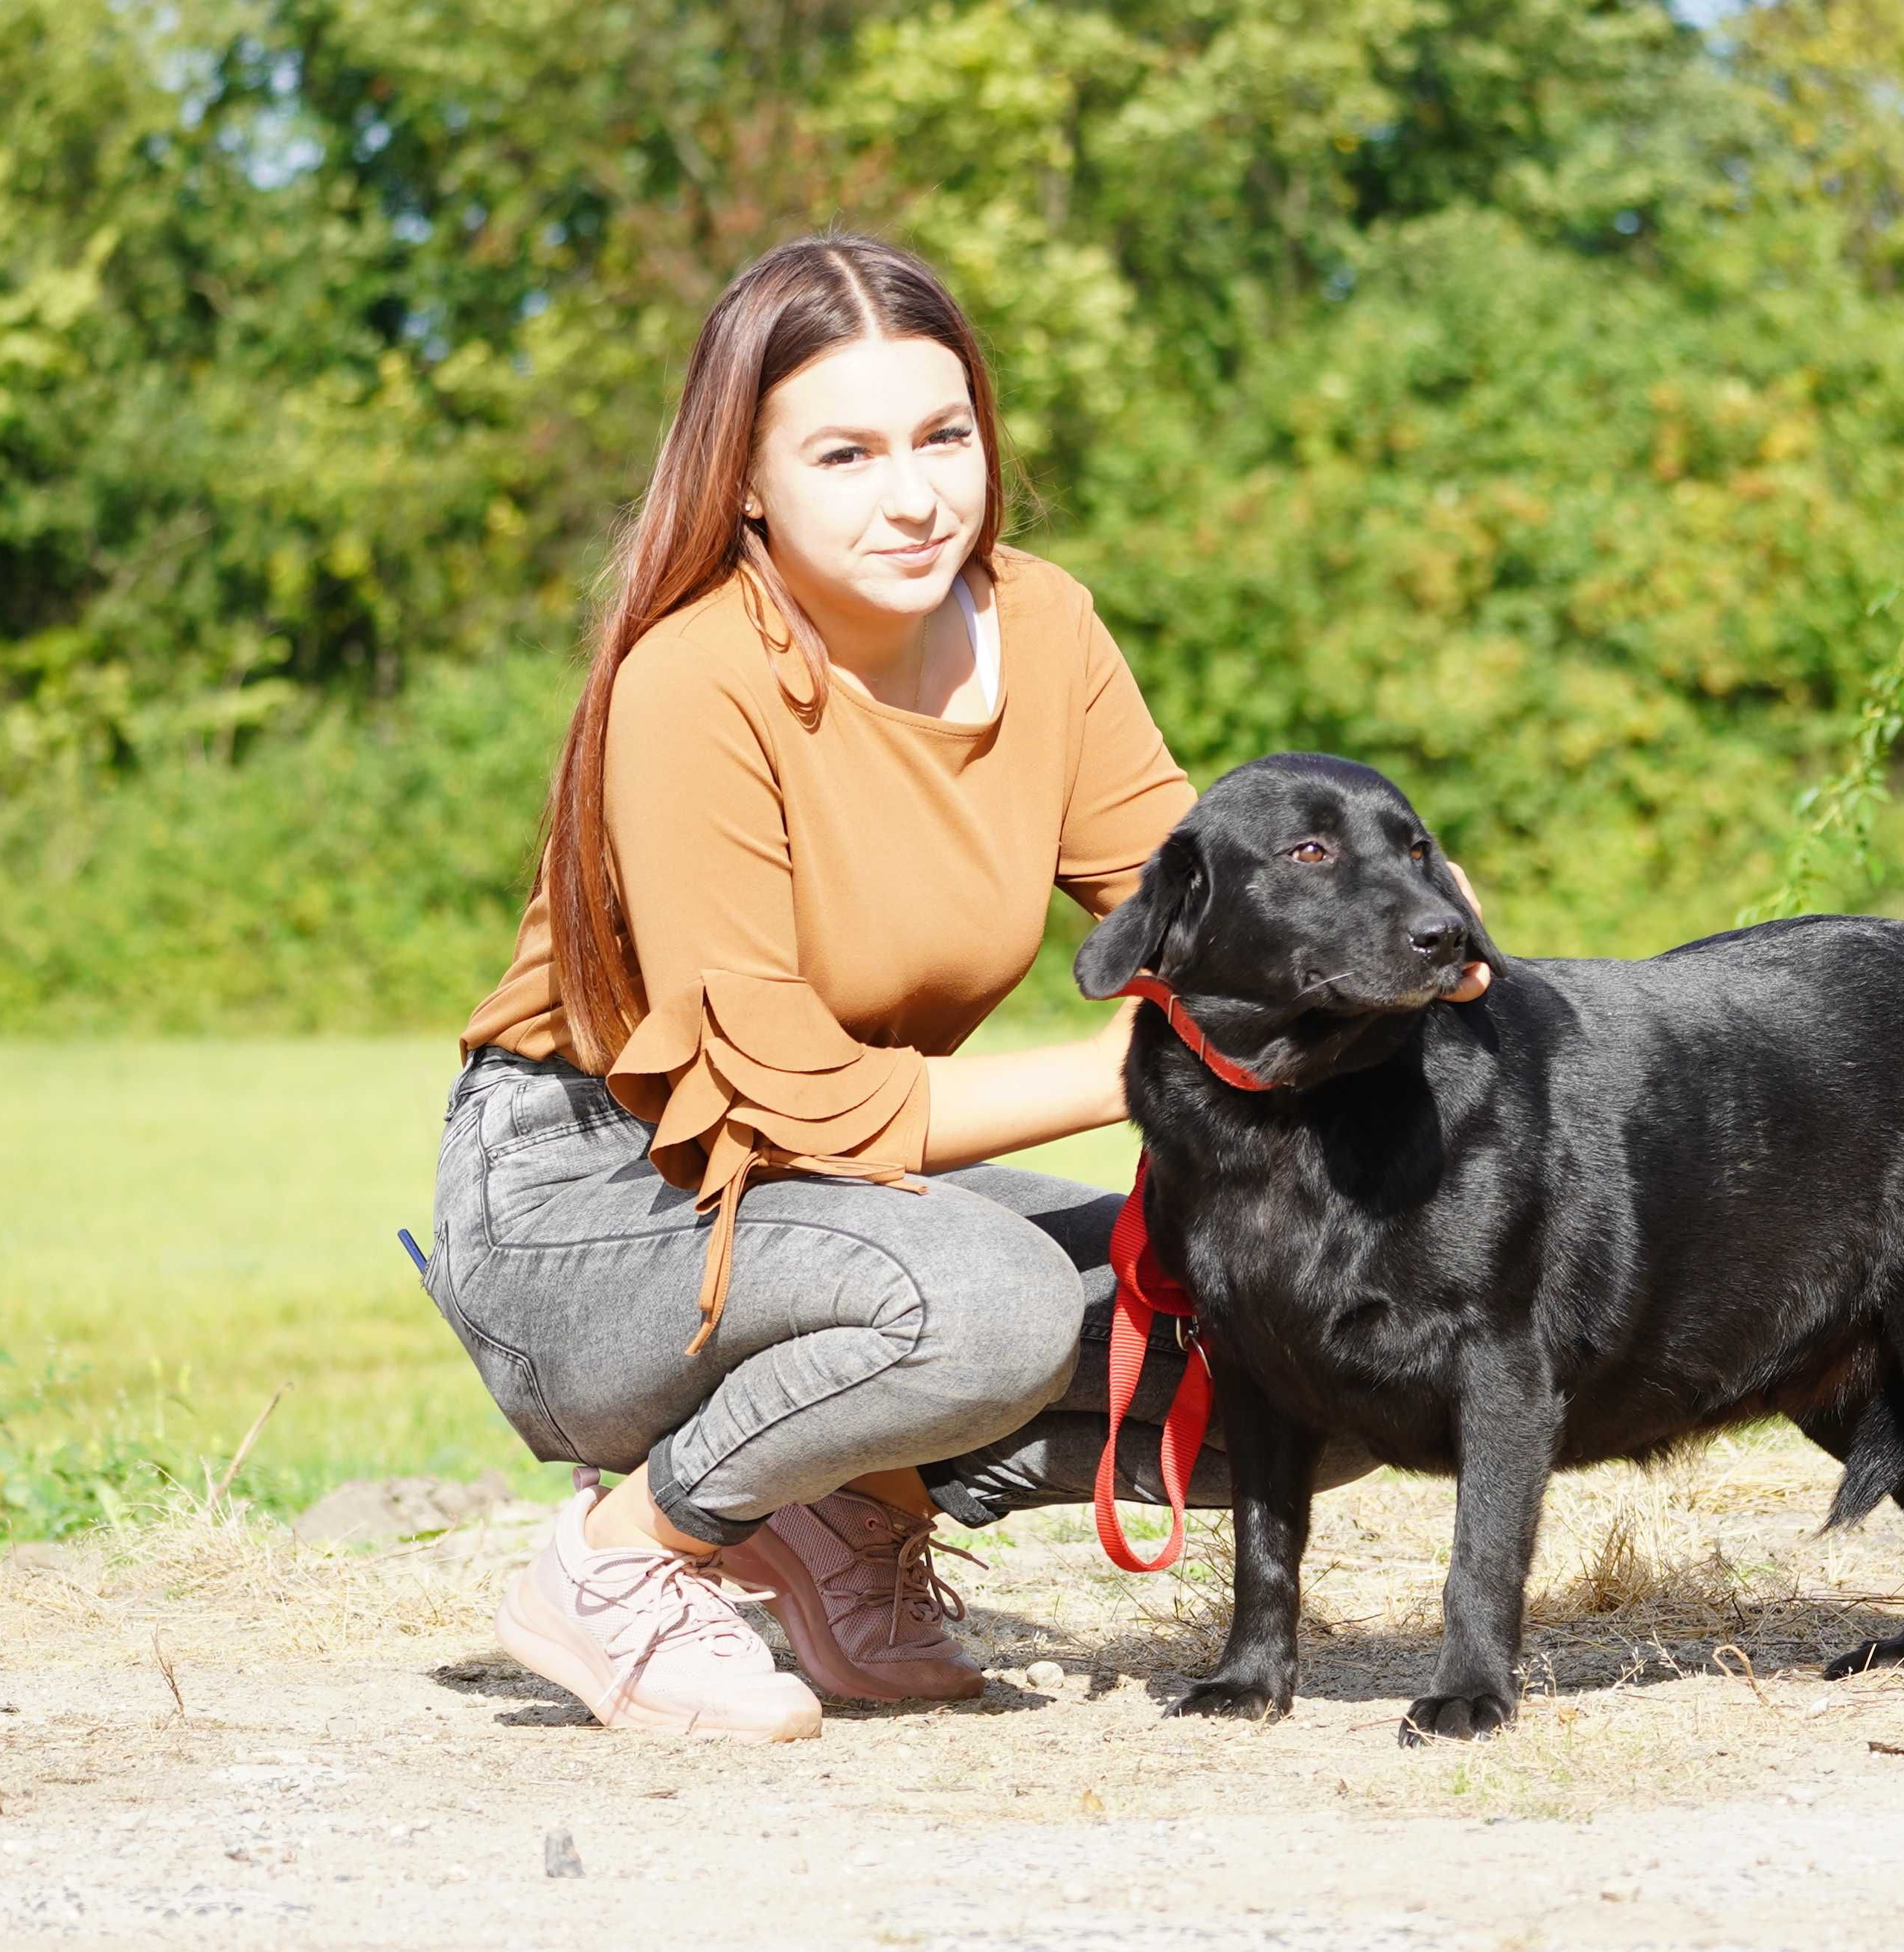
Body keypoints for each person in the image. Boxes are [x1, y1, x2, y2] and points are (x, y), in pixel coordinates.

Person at [426, 232, 1485, 1738]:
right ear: (744, 475)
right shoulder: (691, 680)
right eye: (845, 453)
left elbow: (1197, 910)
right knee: (981, 1304)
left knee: (1316, 1330)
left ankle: (833, 1504)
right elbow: (800, 1096)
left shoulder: (1040, 627)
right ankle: (620, 1561)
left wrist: (1390, 912)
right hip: (593, 1192)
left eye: (945, 434)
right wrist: (1158, 1065)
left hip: (845, 1194)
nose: (915, 493)